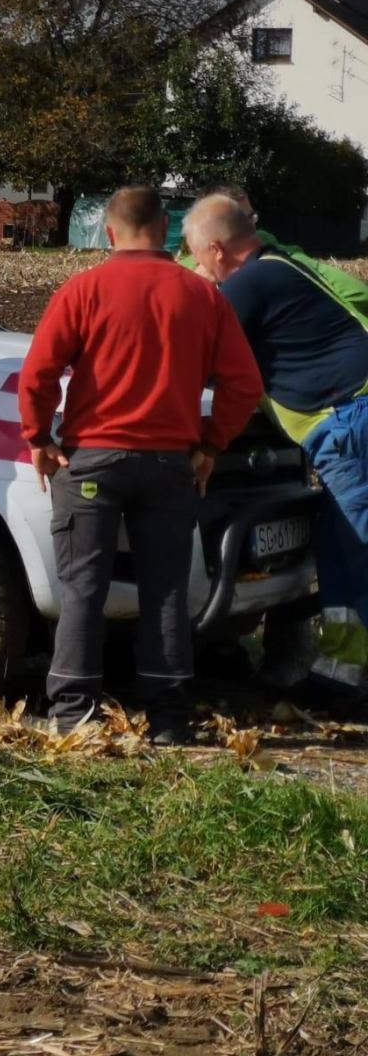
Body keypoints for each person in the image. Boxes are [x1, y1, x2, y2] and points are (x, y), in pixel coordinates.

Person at [19, 186, 263, 742]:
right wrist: (211, 445)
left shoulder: (83, 289)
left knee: (83, 586)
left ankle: (73, 716)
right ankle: (169, 720)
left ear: (109, 232)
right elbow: (243, 383)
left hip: (92, 463)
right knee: (166, 589)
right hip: (170, 464)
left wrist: (38, 437)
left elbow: (37, 374)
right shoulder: (201, 296)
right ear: (167, 230)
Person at [184, 195, 368, 716]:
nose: (200, 268)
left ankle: (347, 681)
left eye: (199, 258)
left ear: (217, 250)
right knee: (342, 548)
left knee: (358, 550)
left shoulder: (248, 285)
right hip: (351, 419)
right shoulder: (280, 267)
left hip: (350, 425)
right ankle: (341, 677)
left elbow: (199, 357)